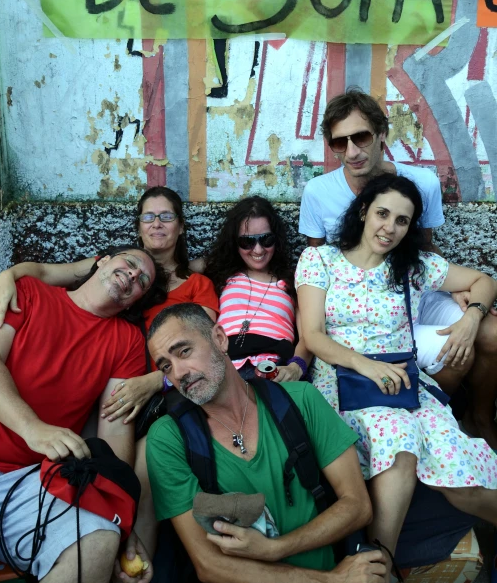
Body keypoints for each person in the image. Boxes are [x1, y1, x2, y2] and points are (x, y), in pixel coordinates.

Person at [0, 185, 219, 559]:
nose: (132, 276)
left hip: (145, 399)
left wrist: (155, 380)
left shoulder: (132, 332)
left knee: (112, 518)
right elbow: (38, 276)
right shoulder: (37, 292)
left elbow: (198, 353)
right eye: (148, 217)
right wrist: (6, 275)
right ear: (105, 260)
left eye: (167, 216)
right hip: (29, 442)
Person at [296, 173, 497, 581]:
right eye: (383, 214)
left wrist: (470, 320)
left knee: (460, 473)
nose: (389, 227)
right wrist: (366, 364)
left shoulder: (413, 266)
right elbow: (313, 336)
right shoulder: (321, 260)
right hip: (343, 381)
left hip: (405, 385)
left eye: (402, 221)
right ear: (364, 210)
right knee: (401, 445)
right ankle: (380, 564)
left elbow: (484, 280)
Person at [299, 88, 497, 446]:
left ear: (381, 134)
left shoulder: (420, 183)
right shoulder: (318, 192)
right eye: (340, 143)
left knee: (489, 333)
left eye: (360, 137)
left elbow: (426, 248)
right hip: (353, 300)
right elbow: (314, 265)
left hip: (411, 287)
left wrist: (469, 303)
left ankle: (466, 413)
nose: (352, 152)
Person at [146, 302, 387, 583]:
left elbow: (358, 505)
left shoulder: (301, 400)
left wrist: (275, 549)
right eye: (166, 366)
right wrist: (332, 580)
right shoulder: (168, 438)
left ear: (220, 339)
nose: (178, 373)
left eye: (184, 351)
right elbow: (209, 565)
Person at [0, 245, 160, 583]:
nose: (132, 275)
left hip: (32, 481)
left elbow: (115, 433)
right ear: (102, 261)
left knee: (101, 539)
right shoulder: (30, 293)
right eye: (129, 263)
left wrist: (120, 516)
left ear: (133, 301)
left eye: (142, 281)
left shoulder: (127, 340)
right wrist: (32, 427)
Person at [205, 196, 311, 381]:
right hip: (224, 365)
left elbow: (308, 336)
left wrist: (296, 368)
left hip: (274, 365)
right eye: (247, 242)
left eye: (266, 239)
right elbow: (177, 268)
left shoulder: (293, 279)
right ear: (234, 243)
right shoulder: (222, 274)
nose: (258, 250)